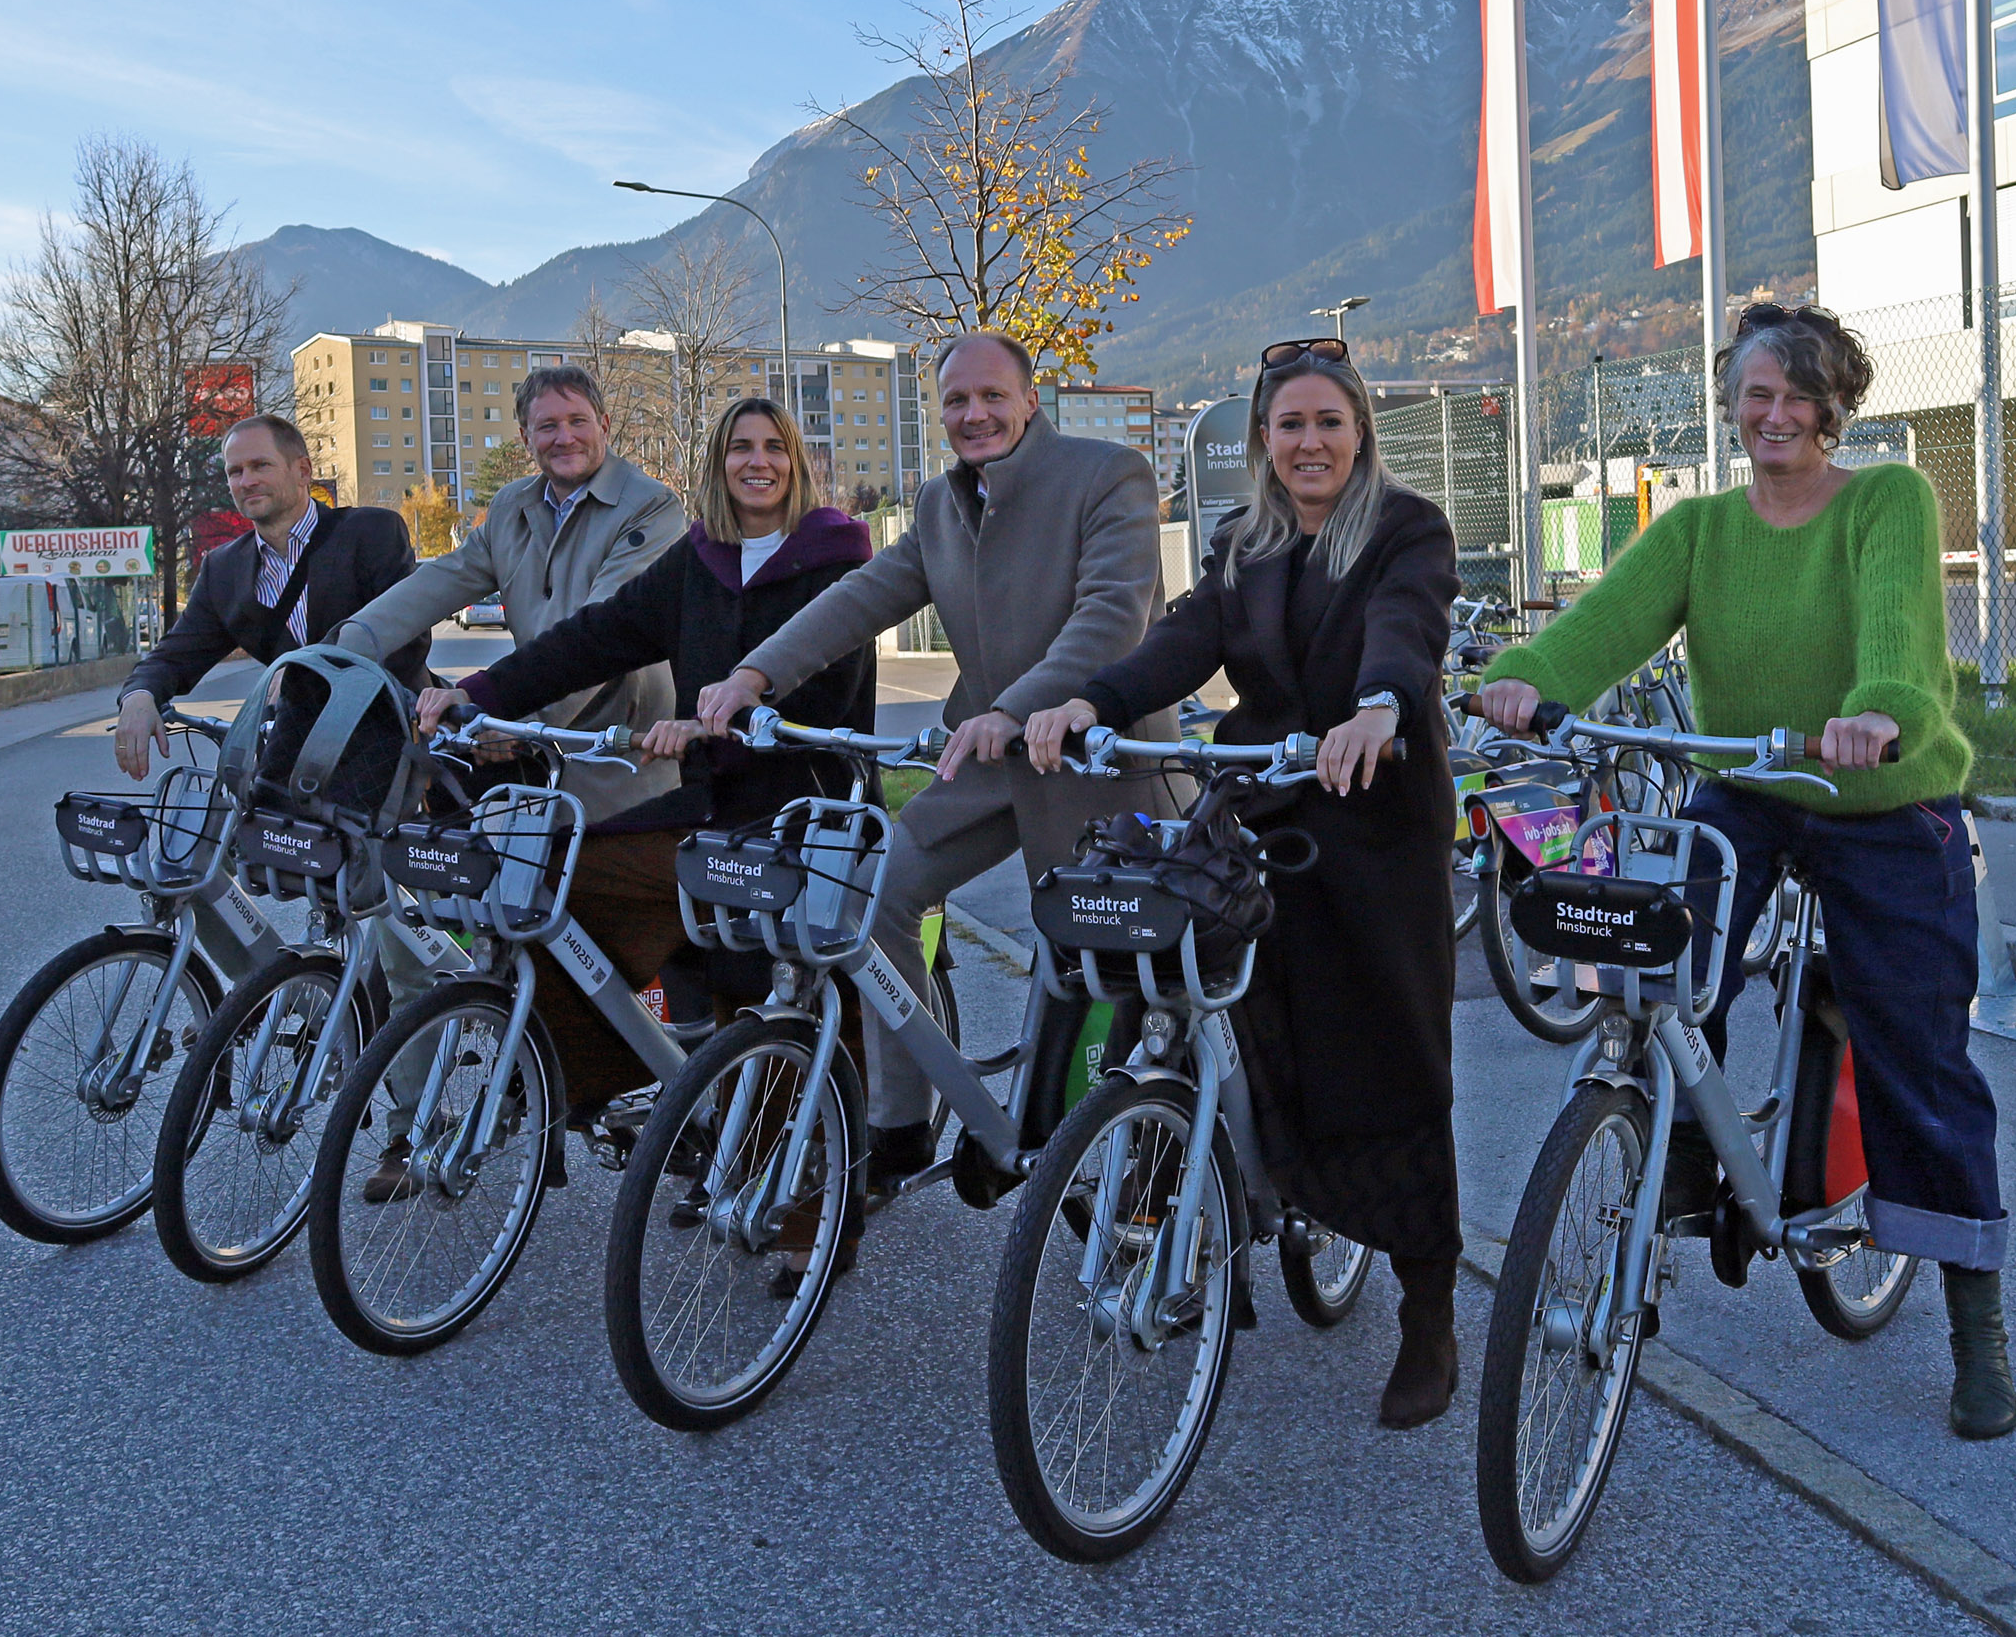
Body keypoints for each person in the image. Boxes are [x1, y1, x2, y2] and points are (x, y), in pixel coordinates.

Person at [1475, 303, 2016, 1441]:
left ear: (1833, 409)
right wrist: (1525, 677)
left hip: (1878, 794)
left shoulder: (1884, 499)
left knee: (1915, 1041)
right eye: (1756, 393)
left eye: (1798, 396)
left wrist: (1878, 711)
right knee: (1659, 966)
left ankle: (1975, 1316)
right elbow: (1607, 622)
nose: (1774, 415)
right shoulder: (1702, 527)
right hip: (1750, 788)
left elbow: (1896, 630)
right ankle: (1678, 1160)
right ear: (1731, 400)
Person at [1024, 336, 1464, 1430]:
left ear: (1358, 429)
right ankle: (1161, 1176)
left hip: (1373, 820)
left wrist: (1379, 709)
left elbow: (1407, 630)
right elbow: (1175, 646)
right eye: (1287, 424)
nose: (1308, 442)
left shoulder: (1406, 528)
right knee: (1170, 979)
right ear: (1263, 442)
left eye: (1326, 421)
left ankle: (1427, 1309)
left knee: (1384, 1056)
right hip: (1260, 801)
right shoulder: (1242, 543)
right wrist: (1093, 701)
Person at [697, 331, 1178, 1200]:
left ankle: (1127, 1157)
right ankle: (899, 1120)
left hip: (1100, 763)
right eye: (955, 401)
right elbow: (860, 597)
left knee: (1097, 969)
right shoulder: (940, 505)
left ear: (1031, 400)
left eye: (992, 396)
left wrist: (1012, 708)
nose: (973, 415)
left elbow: (1112, 616)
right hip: (989, 757)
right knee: (878, 896)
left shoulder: (1109, 474)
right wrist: (755, 672)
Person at [408, 396, 875, 1174]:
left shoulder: (838, 561)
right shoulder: (697, 562)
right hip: (711, 807)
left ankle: (799, 1196)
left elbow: (832, 688)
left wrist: (713, 722)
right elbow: (592, 637)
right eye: (739, 448)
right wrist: (481, 694)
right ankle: (616, 1078)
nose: (756, 462)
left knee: (765, 977)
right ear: (716, 464)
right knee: (563, 879)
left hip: (803, 815)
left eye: (773, 448)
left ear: (797, 462)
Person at [335, 363, 685, 821]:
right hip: (531, 745)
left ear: (603, 425)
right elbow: (434, 584)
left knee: (602, 884)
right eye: (547, 426)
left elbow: (603, 633)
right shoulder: (512, 508)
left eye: (578, 421)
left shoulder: (652, 507)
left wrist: (519, 723)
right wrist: (338, 653)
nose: (565, 437)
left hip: (620, 751)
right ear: (525, 439)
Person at [113, 415, 428, 780]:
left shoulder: (371, 532)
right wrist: (139, 696)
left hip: (395, 741)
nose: (247, 481)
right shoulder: (224, 569)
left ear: (303, 471)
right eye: (235, 472)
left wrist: (303, 669)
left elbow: (408, 641)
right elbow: (175, 655)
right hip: (297, 751)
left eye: (261, 465)